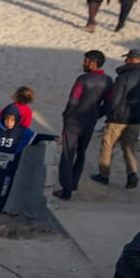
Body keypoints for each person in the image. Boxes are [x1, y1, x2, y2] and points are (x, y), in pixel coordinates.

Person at [92, 49, 140, 189]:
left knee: (107, 146)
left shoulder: (124, 77)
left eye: (127, 58)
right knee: (129, 148)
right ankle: (132, 174)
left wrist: (109, 113)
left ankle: (104, 175)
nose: (125, 61)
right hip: (136, 119)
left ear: (131, 59)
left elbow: (114, 100)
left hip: (118, 118)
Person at [0, 104, 52, 227]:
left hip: (7, 172)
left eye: (12, 120)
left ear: (17, 120)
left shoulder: (22, 132)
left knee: (1, 195)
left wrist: (54, 138)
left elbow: (37, 137)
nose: (9, 122)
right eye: (6, 119)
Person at [53, 50, 108, 200]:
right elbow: (111, 103)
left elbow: (73, 100)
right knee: (81, 152)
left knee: (67, 153)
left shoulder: (83, 79)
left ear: (92, 62)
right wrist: (98, 113)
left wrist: (67, 115)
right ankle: (73, 183)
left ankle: (66, 189)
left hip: (74, 120)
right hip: (90, 121)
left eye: (85, 61)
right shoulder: (108, 81)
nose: (82, 63)